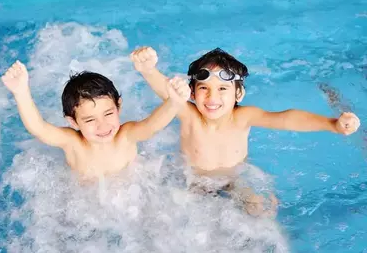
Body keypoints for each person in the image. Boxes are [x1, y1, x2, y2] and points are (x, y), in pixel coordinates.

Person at [132, 46, 361, 217]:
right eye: (204, 89)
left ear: (238, 95)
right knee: (182, 219)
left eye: (223, 89)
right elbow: (166, 92)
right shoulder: (189, 115)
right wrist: (147, 70)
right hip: (195, 182)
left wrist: (331, 124)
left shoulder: (243, 117)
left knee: (261, 209)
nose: (212, 98)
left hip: (234, 178)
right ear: (192, 94)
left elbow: (285, 119)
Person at [1, 59, 191, 181]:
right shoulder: (73, 143)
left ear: (119, 107)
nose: (103, 125)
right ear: (73, 122)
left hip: (129, 197)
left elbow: (152, 125)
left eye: (108, 114)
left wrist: (173, 102)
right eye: (90, 120)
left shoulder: (126, 135)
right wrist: (21, 92)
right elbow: (39, 129)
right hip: (88, 205)